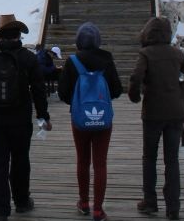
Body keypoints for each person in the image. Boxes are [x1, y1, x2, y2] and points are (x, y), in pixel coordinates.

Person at [0, 14, 51, 220]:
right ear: (17, 34)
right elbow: (39, 90)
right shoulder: (28, 57)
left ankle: (1, 211)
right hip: (21, 119)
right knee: (20, 160)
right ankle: (22, 202)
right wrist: (43, 115)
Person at [130, 18, 184, 220]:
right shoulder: (176, 53)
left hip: (153, 112)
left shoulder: (145, 54)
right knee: (171, 159)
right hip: (175, 112)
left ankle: (150, 201)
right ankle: (173, 207)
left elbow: (136, 76)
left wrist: (135, 95)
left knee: (149, 157)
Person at [58, 23, 123, 220]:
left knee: (83, 160)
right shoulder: (107, 60)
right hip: (103, 118)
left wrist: (79, 102)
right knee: (100, 163)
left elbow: (63, 93)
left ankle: (84, 202)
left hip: (79, 118)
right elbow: (118, 89)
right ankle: (98, 209)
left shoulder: (73, 61)